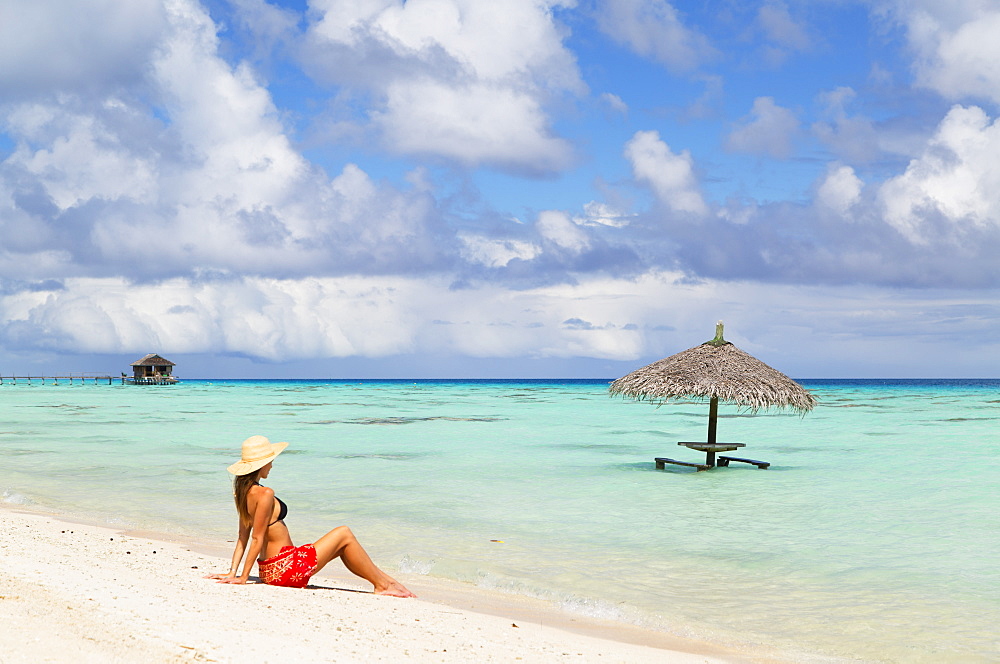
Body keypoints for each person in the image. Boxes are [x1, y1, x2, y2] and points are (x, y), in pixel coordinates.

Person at [207, 435, 415, 597]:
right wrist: (243, 577)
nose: (272, 465)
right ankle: (383, 584)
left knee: (344, 545)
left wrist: (233, 571)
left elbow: (243, 536)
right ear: (261, 464)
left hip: (271, 570)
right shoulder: (265, 494)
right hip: (285, 569)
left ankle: (387, 582)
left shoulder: (243, 494)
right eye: (271, 461)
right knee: (344, 533)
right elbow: (256, 538)